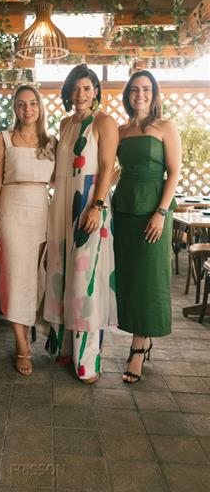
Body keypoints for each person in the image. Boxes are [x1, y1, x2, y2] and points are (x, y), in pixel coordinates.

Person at [44, 64, 118, 384]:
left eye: (87, 88)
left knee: (84, 280)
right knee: (61, 274)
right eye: (75, 88)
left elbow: (107, 167)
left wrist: (96, 206)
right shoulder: (65, 124)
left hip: (89, 203)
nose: (81, 94)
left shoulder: (104, 122)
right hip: (63, 203)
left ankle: (88, 360)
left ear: (96, 91)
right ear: (68, 92)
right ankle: (66, 348)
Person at [113, 69, 181, 384]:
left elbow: (174, 172)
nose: (140, 95)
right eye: (134, 90)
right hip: (124, 207)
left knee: (149, 278)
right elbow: (112, 168)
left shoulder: (166, 127)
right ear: (128, 95)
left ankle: (139, 347)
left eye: (146, 90)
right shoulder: (121, 131)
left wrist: (161, 212)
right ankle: (141, 337)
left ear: (153, 95)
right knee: (128, 277)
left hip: (154, 208)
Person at [0, 85, 56, 376]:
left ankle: (40, 325)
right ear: (15, 108)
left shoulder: (51, 142)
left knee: (38, 275)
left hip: (42, 212)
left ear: (40, 107)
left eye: (32, 103)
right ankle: (21, 344)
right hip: (11, 211)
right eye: (21, 104)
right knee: (15, 278)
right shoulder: (4, 139)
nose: (27, 109)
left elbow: (61, 180)